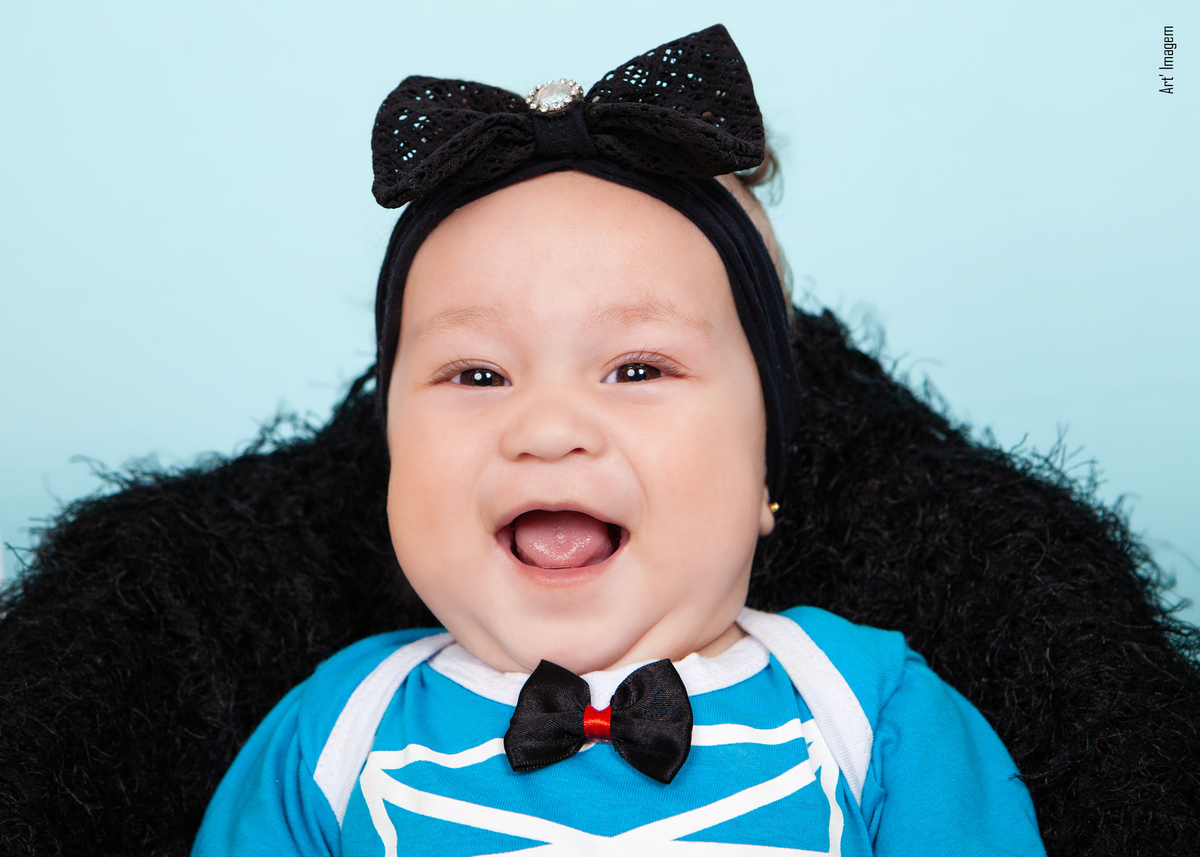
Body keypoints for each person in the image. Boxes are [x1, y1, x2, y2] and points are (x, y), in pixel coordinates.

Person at [192, 25, 1046, 856]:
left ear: (763, 472)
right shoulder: (334, 735)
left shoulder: (868, 710)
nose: (547, 430)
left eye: (637, 369)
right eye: (477, 375)